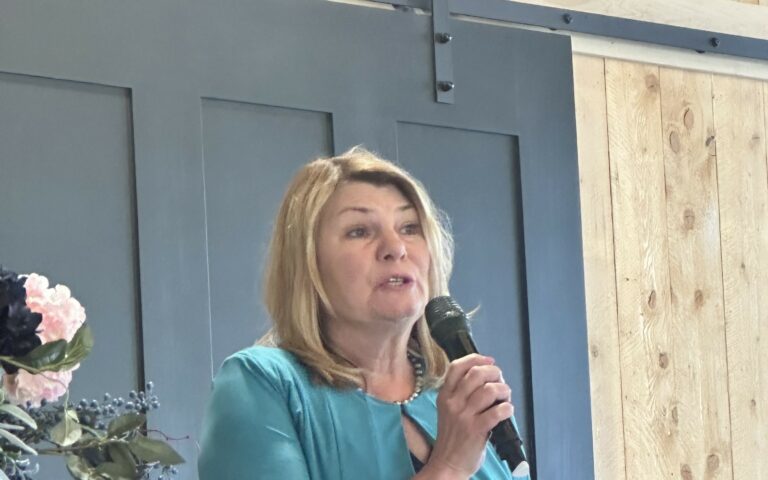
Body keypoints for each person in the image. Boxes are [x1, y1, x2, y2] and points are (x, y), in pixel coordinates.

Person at [198, 147, 527, 479]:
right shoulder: (262, 384)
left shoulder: (464, 394)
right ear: (308, 262)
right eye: (360, 231)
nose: (395, 248)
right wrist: (449, 467)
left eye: (409, 227)